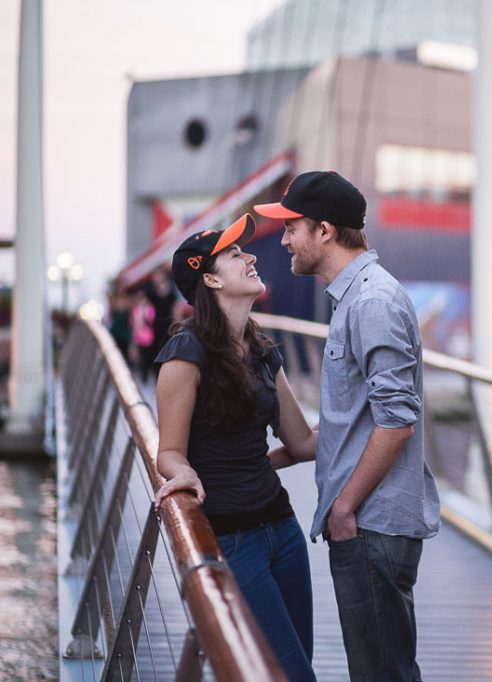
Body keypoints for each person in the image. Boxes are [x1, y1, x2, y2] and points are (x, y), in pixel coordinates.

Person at [255, 171, 440, 682]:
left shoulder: (371, 303)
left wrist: (344, 505)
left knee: (381, 674)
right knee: (383, 670)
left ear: (325, 232)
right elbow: (350, 425)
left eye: (292, 227)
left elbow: (396, 422)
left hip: (371, 524)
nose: (285, 239)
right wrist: (257, 463)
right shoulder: (354, 299)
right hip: (366, 522)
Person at [151, 214, 318, 682]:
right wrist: (181, 473)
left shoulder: (263, 349)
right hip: (231, 539)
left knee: (296, 665)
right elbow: (170, 451)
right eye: (233, 254)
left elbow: (302, 441)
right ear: (209, 277)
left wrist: (374, 420)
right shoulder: (187, 352)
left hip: (283, 531)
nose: (249, 257)